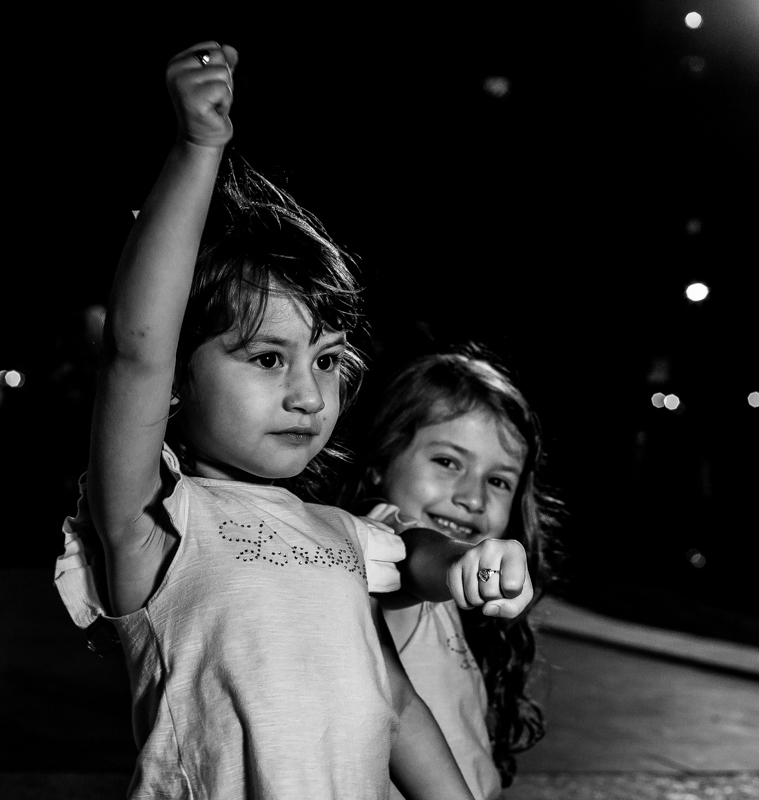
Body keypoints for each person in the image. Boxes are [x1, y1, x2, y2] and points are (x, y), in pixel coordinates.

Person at [53, 41, 525, 798]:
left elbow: (399, 700)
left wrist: (465, 564)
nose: (309, 395)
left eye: (328, 361)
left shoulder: (341, 536)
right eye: (268, 357)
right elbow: (135, 352)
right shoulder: (157, 524)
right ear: (177, 381)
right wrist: (198, 150)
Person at [341, 352, 557, 799]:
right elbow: (414, 554)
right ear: (380, 460)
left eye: (498, 481)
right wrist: (462, 561)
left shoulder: (459, 605)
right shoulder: (373, 544)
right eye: (448, 461)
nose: (473, 498)